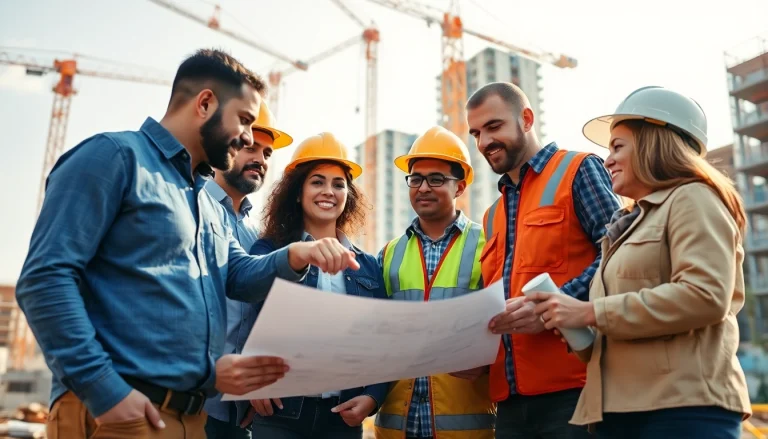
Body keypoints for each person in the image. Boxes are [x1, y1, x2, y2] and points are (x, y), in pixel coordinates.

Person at [15, 49, 358, 439]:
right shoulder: (113, 158)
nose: (249, 137)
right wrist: (104, 391)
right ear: (206, 103)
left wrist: (296, 255)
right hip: (117, 413)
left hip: (188, 418)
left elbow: (237, 276)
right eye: (244, 120)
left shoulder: (205, 202)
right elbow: (45, 279)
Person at [526, 85, 752, 438]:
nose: (607, 160)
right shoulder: (628, 225)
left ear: (654, 145)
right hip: (619, 414)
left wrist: (587, 312)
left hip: (683, 410)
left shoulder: (693, 198)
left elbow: (705, 296)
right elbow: (627, 328)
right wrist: (574, 327)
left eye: (618, 146)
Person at [464, 82, 620, 439]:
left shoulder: (579, 170)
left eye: (493, 126)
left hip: (575, 390)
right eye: (476, 133)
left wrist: (553, 307)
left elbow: (620, 254)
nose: (484, 142)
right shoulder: (492, 216)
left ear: (527, 119)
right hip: (509, 402)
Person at [246, 132, 390, 439]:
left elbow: (382, 340)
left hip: (341, 419)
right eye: (317, 181)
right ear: (297, 193)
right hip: (279, 413)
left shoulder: (368, 266)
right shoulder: (268, 251)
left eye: (338, 184)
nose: (329, 191)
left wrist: (373, 397)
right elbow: (247, 317)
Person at [373, 126, 496, 439]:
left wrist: (489, 363)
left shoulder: (490, 246)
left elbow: (508, 328)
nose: (423, 187)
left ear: (460, 186)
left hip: (466, 428)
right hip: (397, 426)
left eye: (436, 179)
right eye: (416, 179)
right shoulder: (388, 254)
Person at [203, 99, 294, 439]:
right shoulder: (192, 209)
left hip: (239, 413)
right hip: (193, 403)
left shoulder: (256, 235)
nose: (260, 159)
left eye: (268, 153)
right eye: (250, 146)